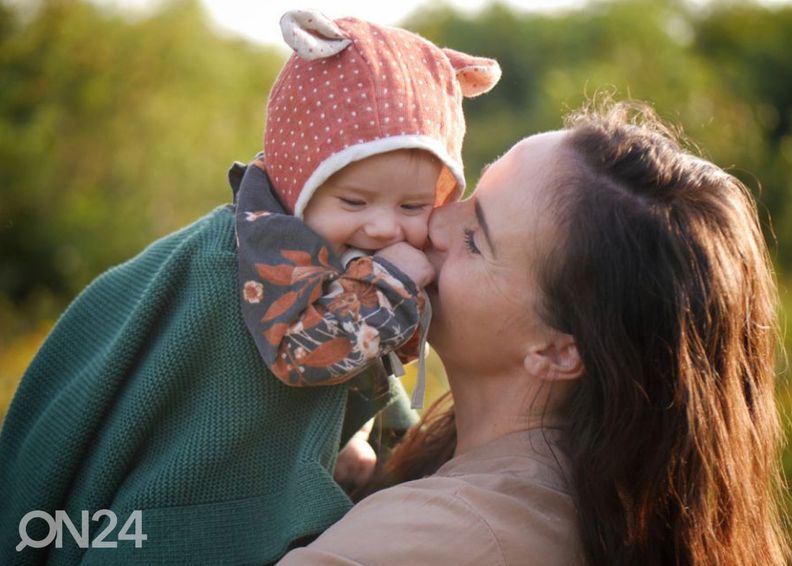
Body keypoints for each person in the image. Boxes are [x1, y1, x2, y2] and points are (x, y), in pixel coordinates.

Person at [0, 10, 501, 565]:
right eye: (355, 202)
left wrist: (338, 437)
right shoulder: (247, 265)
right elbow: (301, 353)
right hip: (163, 522)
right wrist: (391, 287)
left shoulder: (341, 255)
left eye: (413, 206)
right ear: (296, 181)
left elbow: (345, 385)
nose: (384, 226)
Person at [279, 100, 790, 565]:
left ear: (558, 350)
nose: (431, 222)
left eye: (475, 239)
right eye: (469, 191)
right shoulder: (577, 498)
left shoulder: (449, 535)